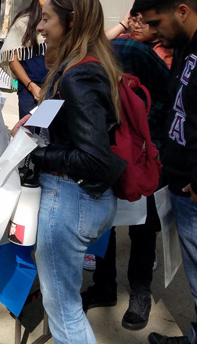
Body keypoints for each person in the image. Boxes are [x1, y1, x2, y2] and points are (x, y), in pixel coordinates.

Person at [28, 0, 126, 344]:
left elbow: (93, 158)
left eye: (48, 18)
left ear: (71, 22)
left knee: (65, 311)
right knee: (65, 305)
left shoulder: (80, 74)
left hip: (71, 200)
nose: (40, 25)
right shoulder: (83, 65)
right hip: (79, 199)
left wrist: (33, 153)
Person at [82, 37, 171, 331]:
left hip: (135, 154)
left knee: (142, 225)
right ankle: (104, 287)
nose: (42, 27)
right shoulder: (70, 55)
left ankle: (140, 292)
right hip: (99, 155)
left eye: (48, 20)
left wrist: (143, 124)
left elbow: (169, 89)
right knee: (102, 224)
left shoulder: (127, 49)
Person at [130, 0, 197, 344]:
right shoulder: (185, 46)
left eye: (156, 22)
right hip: (176, 176)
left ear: (182, 10)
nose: (152, 30)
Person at [0, 0, 68, 118]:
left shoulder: (68, 22)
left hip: (59, 87)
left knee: (54, 135)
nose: (48, 2)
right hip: (30, 90)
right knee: (29, 135)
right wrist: (30, 85)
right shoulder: (24, 22)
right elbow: (12, 59)